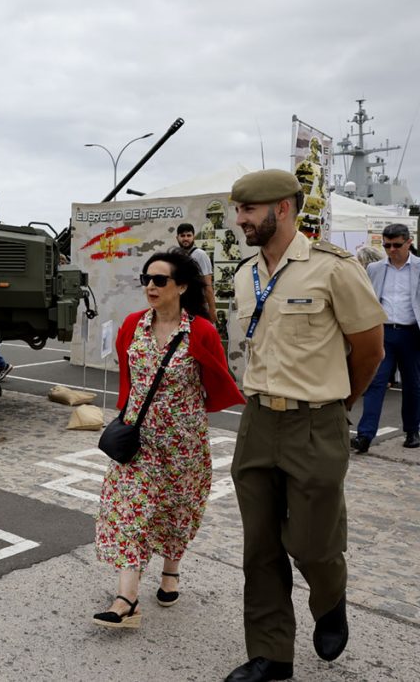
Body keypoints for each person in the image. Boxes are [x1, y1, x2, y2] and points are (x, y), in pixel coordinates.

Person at [225, 170, 385, 682]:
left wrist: (341, 405)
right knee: (261, 546)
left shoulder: (333, 269)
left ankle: (330, 597)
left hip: (316, 422)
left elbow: (370, 349)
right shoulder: (244, 274)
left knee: (313, 543)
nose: (240, 219)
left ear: (284, 209)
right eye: (238, 210)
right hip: (256, 422)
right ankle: (272, 654)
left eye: (249, 210)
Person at [93, 251, 243, 629]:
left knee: (178, 510)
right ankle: (126, 597)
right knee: (128, 511)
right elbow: (126, 371)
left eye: (160, 280)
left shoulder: (202, 331)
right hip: (138, 441)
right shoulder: (132, 325)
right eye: (147, 278)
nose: (151, 286)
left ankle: (170, 572)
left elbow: (216, 379)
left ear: (181, 286)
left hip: (183, 442)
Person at [351, 223, 420, 453]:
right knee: (376, 382)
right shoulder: (375, 269)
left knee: (413, 384)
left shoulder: (419, 267)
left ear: (409, 242)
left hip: (412, 332)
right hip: (384, 331)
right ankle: (365, 436)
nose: (391, 250)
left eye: (397, 245)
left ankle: (412, 431)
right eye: (387, 245)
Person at [173, 222, 218, 324]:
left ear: (193, 237)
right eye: (182, 236)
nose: (185, 238)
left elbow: (207, 285)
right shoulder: (176, 255)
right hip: (178, 306)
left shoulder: (200, 255)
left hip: (197, 306)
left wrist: (212, 309)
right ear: (177, 237)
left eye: (189, 235)